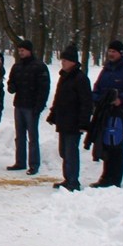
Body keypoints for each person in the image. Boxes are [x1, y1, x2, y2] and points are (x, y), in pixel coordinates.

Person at [45, 45, 92, 192]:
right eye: (62, 60)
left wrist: (84, 122)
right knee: (63, 152)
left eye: (65, 60)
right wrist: (53, 114)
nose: (63, 63)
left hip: (74, 121)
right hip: (63, 120)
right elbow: (59, 98)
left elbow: (86, 102)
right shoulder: (64, 77)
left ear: (73, 62)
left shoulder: (80, 78)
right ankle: (67, 178)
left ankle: (73, 181)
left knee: (71, 152)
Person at [87, 40, 123, 187]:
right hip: (104, 112)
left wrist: (120, 99)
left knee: (116, 144)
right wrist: (97, 99)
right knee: (105, 143)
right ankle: (105, 177)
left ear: (120, 53)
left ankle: (115, 179)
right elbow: (97, 88)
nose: (111, 54)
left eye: (114, 52)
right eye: (109, 51)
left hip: (120, 113)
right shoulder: (106, 69)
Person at [6, 40, 50, 175]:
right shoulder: (17, 66)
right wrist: (11, 87)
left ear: (29, 51)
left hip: (31, 106)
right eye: (19, 51)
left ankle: (34, 164)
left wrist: (39, 106)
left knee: (32, 136)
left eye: (23, 50)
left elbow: (44, 88)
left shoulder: (39, 67)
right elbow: (11, 82)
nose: (20, 53)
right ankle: (20, 161)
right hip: (19, 104)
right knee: (19, 135)